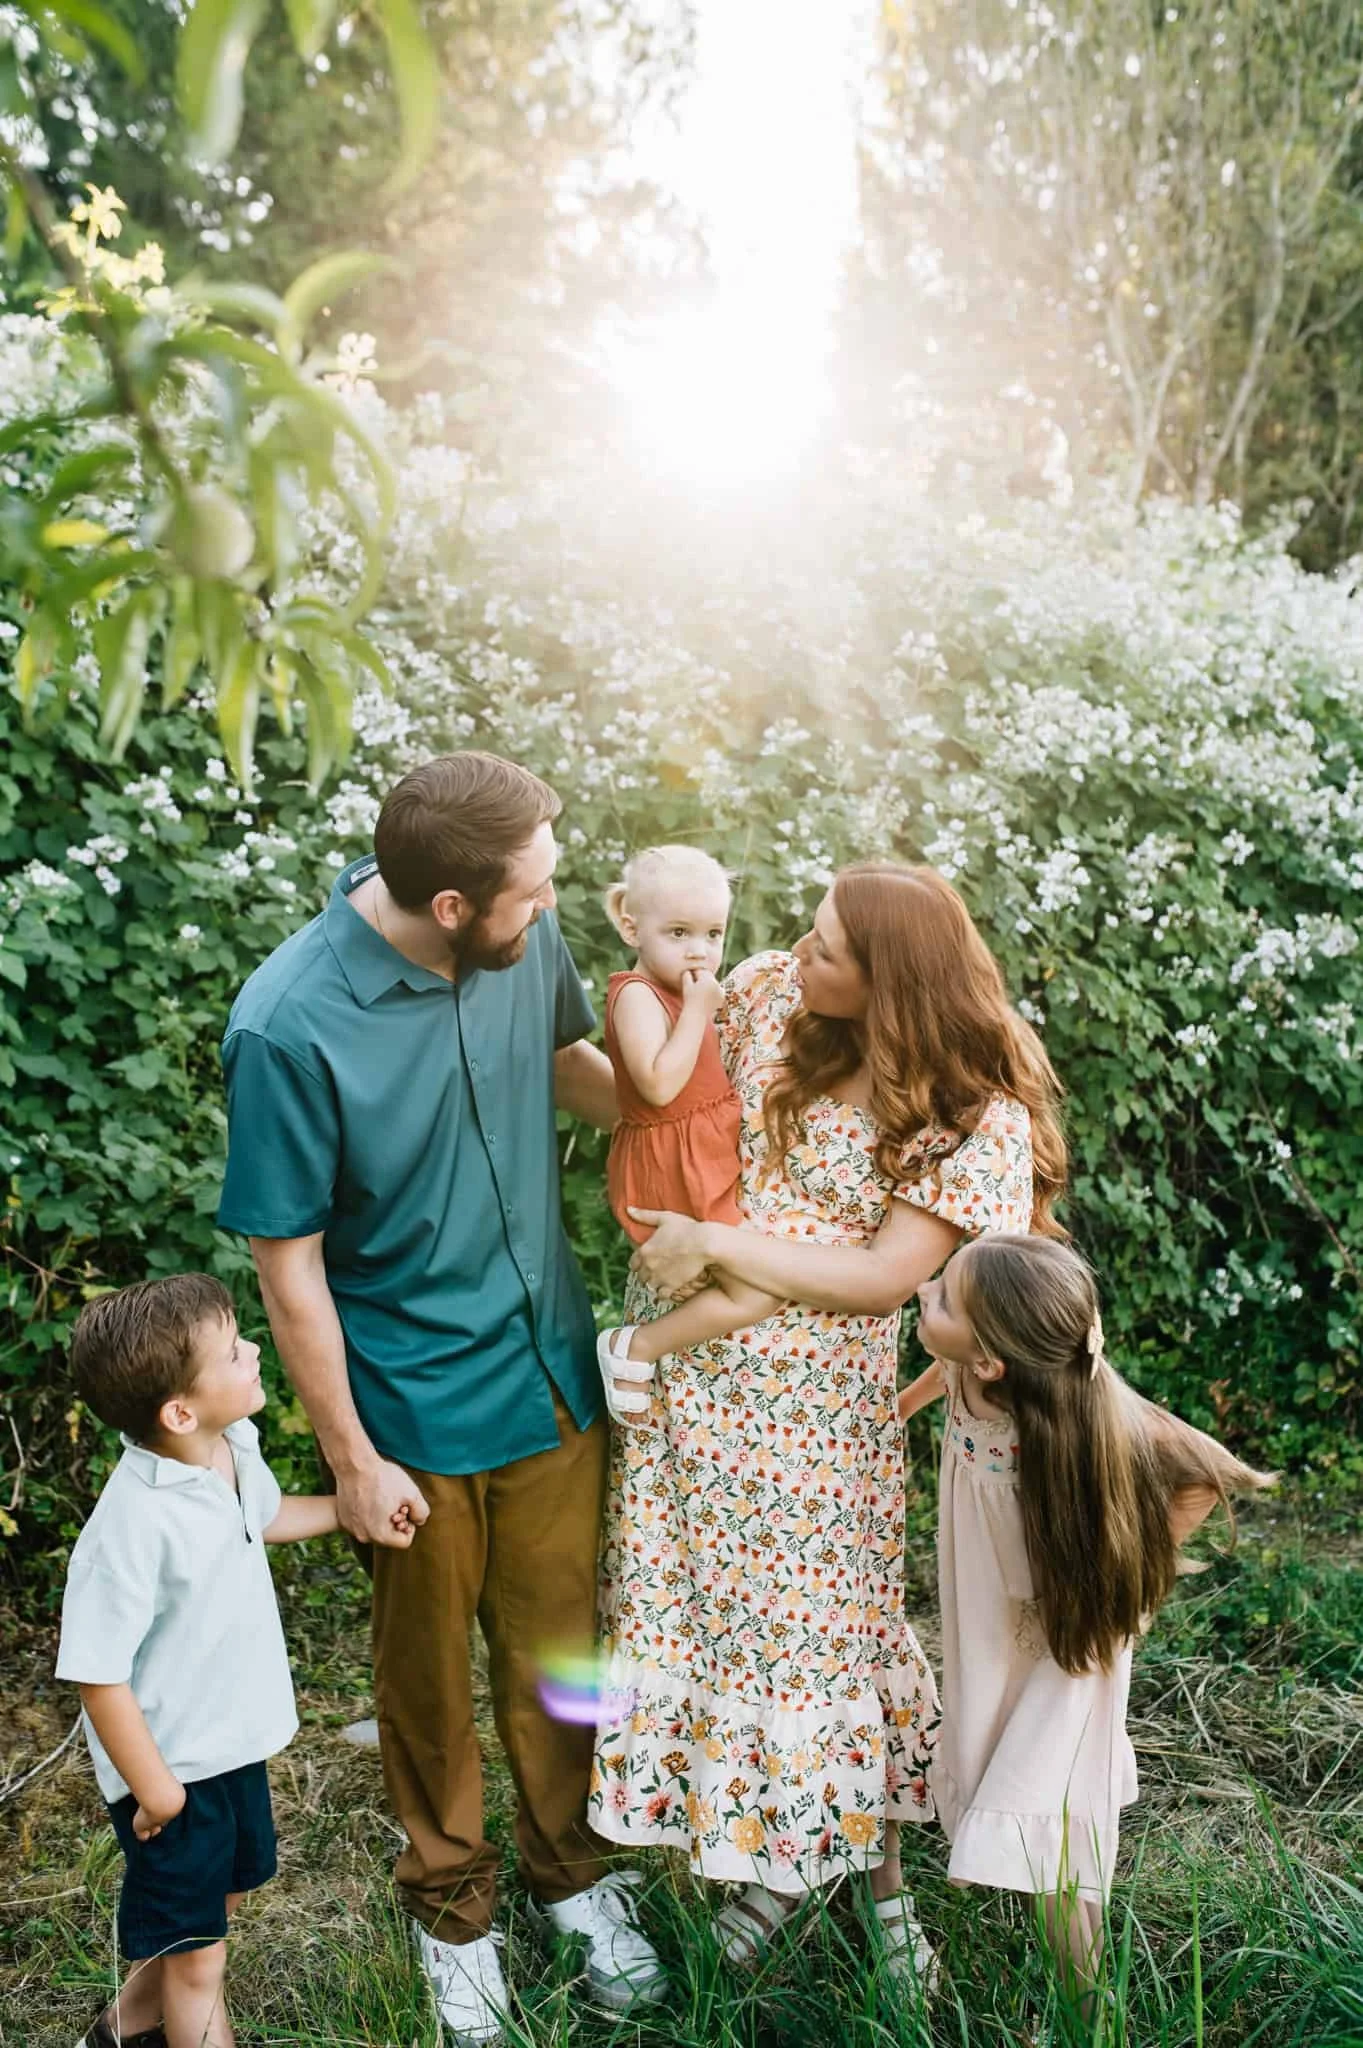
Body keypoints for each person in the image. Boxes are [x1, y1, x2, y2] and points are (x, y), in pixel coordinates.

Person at [215, 752, 664, 2048]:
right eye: (534, 889)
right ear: (454, 906)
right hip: (408, 1409)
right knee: (425, 1680)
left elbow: (574, 1066)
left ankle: (571, 1874)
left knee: (560, 1649)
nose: (553, 902)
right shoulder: (286, 1024)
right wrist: (352, 1460)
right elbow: (289, 1271)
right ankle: (452, 1913)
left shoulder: (518, 927)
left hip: (551, 1373)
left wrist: (696, 1101)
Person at [589, 861, 1066, 1986]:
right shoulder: (768, 994)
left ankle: (883, 1891)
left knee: (830, 1644)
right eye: (806, 934)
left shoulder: (971, 1112)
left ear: (893, 982)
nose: (794, 954)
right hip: (683, 1389)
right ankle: (775, 1865)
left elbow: (884, 1276)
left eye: (827, 951)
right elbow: (658, 1086)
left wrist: (715, 1245)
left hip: (811, 1418)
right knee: (715, 1632)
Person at [899, 1233, 1273, 1998]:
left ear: (992, 1361)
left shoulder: (1095, 1415)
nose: (921, 1290)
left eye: (941, 1298)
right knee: (1009, 1778)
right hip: (992, 1633)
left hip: (1066, 1645)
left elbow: (1206, 1475)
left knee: (1056, 1840)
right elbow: (945, 1370)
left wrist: (1131, 1583)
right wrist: (894, 1410)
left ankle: (1085, 2013)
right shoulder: (973, 1366)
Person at [57, 1275, 339, 2048]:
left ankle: (120, 2029)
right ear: (179, 1412)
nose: (254, 1350)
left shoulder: (230, 1446)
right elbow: (97, 1674)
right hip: (174, 1770)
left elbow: (264, 1517)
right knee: (198, 1964)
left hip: (234, 1744)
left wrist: (351, 1510)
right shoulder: (132, 1525)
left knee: (219, 1905)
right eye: (233, 1351)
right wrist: (158, 1793)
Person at [596, 845, 782, 1405]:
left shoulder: (681, 990)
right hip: (671, 1160)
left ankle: (680, 1381)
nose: (699, 951)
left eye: (713, 934)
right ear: (632, 928)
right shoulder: (636, 995)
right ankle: (634, 1349)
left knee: (723, 1281)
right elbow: (657, 1085)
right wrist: (700, 1010)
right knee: (755, 1290)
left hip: (700, 1151)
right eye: (678, 933)